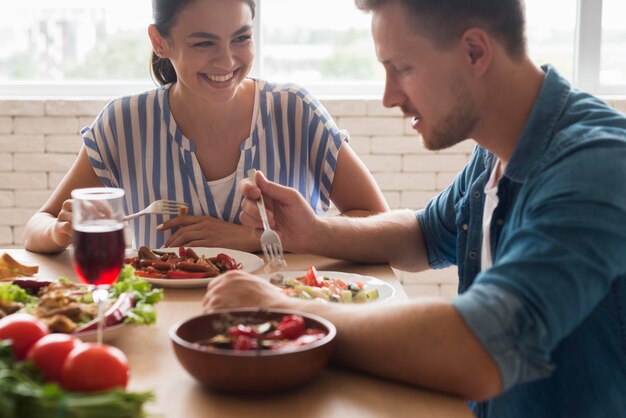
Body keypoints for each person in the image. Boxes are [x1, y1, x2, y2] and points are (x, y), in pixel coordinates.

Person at [202, 0, 626, 417]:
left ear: (475, 51)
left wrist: (284, 308)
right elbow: (424, 235)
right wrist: (313, 232)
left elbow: (481, 349)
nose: (388, 98)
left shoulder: (594, 166)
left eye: (402, 69)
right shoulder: (495, 150)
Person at [22, 0, 388, 253]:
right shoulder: (124, 123)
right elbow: (38, 225)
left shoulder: (296, 111)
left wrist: (256, 238)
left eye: (241, 38)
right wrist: (59, 231)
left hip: (285, 328)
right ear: (159, 42)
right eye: (203, 43)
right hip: (163, 330)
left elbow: (378, 224)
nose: (227, 60)